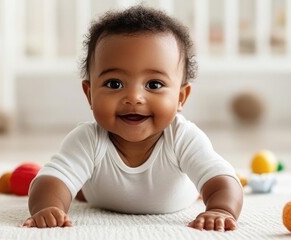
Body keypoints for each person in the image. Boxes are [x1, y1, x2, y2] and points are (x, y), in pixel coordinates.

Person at [23, 6, 244, 232]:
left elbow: (223, 180)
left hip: (182, 194)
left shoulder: (182, 137)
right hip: (97, 196)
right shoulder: (87, 139)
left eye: (154, 85)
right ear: (89, 94)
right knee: (71, 186)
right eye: (114, 84)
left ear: (180, 97)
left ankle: (195, 187)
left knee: (207, 180)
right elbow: (49, 180)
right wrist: (49, 207)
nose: (134, 98)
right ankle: (80, 184)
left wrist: (220, 209)